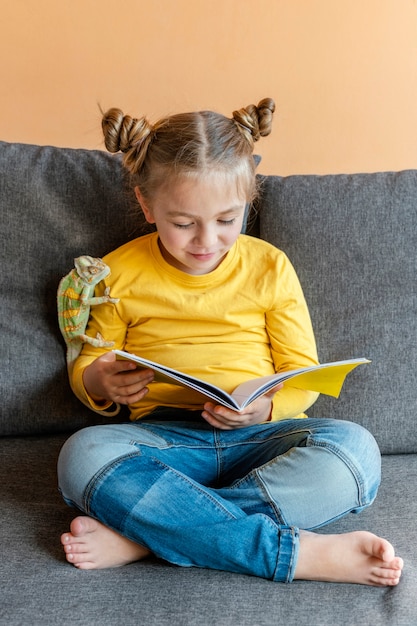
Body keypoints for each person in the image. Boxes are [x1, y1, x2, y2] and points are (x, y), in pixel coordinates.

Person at [58, 99, 403, 585]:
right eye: (183, 223)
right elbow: (92, 360)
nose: (206, 240)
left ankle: (147, 536)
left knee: (356, 450)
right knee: (81, 454)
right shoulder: (117, 272)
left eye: (227, 219)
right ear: (146, 204)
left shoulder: (268, 266)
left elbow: (303, 372)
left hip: (259, 441)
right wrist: (100, 380)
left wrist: (265, 410)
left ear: (247, 202)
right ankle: (289, 553)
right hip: (164, 441)